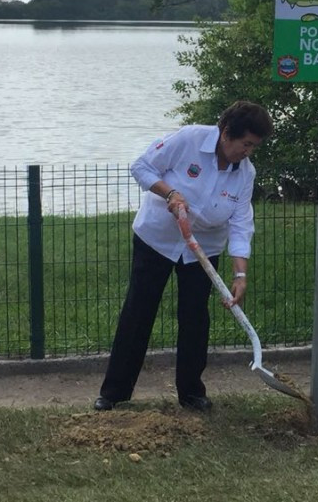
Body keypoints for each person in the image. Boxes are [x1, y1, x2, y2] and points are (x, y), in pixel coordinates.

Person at [94, 101, 273, 412]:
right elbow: (141, 166)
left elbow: (241, 222)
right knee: (138, 313)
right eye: (246, 144)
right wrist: (170, 193)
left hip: (203, 249)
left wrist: (240, 274)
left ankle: (191, 393)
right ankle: (114, 393)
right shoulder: (188, 139)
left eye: (255, 147)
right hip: (157, 240)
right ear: (226, 133)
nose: (248, 152)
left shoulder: (245, 173)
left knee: (195, 318)